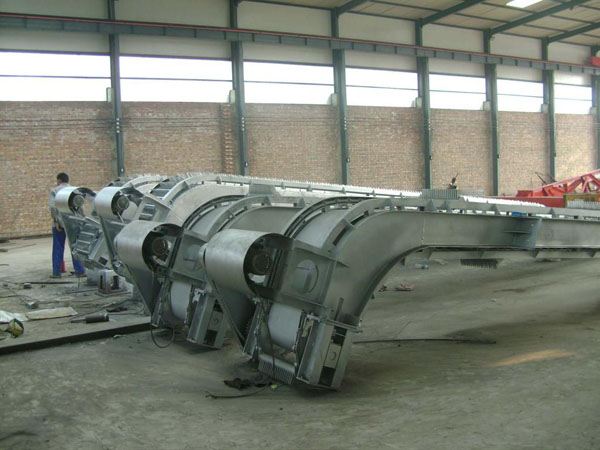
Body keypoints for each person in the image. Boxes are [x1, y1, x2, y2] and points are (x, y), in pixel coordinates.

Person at [48, 172, 85, 278]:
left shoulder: (55, 191)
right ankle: (80, 271)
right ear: (68, 180)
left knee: (58, 247)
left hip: (59, 224)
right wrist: (81, 221)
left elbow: (53, 207)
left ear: (59, 180)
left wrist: (56, 221)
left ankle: (56, 273)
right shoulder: (75, 190)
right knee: (75, 247)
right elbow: (81, 207)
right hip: (74, 223)